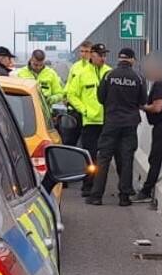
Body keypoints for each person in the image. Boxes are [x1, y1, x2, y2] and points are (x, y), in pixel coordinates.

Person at [86, 47, 146, 207]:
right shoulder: (138, 78)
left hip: (111, 122)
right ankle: (124, 197)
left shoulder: (108, 75)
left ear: (119, 59)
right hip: (130, 124)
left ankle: (96, 196)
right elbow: (142, 101)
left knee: (103, 158)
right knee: (126, 159)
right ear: (132, 60)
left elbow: (100, 98)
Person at [67, 43, 110, 195]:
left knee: (105, 157)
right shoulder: (82, 73)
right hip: (90, 122)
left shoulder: (109, 72)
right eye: (100, 55)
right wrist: (84, 110)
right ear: (92, 55)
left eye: (105, 55)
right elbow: (71, 95)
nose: (103, 58)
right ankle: (88, 185)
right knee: (90, 156)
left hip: (107, 122)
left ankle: (100, 188)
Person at [133, 54, 162, 203]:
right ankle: (147, 188)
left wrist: (142, 107)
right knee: (154, 157)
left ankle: (146, 191)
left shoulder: (159, 85)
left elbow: (157, 108)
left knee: (155, 158)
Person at [60, 41, 93, 146]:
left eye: (86, 51)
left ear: (92, 52)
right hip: (74, 109)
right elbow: (69, 84)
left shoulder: (95, 68)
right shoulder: (75, 67)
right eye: (81, 51)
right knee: (69, 140)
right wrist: (65, 97)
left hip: (88, 111)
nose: (83, 54)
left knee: (88, 142)